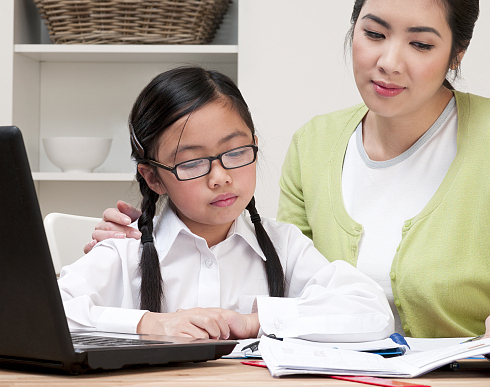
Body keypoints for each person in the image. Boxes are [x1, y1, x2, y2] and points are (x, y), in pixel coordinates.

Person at [85, 0, 490, 346]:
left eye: (421, 44)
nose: (388, 62)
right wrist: (153, 234)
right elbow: (273, 280)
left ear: (457, 53)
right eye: (373, 33)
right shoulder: (316, 142)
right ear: (353, 27)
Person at [60, 66, 394, 342]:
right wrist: (149, 324)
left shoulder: (285, 246)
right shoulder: (125, 249)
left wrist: (257, 321)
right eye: (191, 163)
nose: (219, 177)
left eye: (235, 153)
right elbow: (38, 313)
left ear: (255, 145)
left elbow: (372, 312)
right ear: (153, 178)